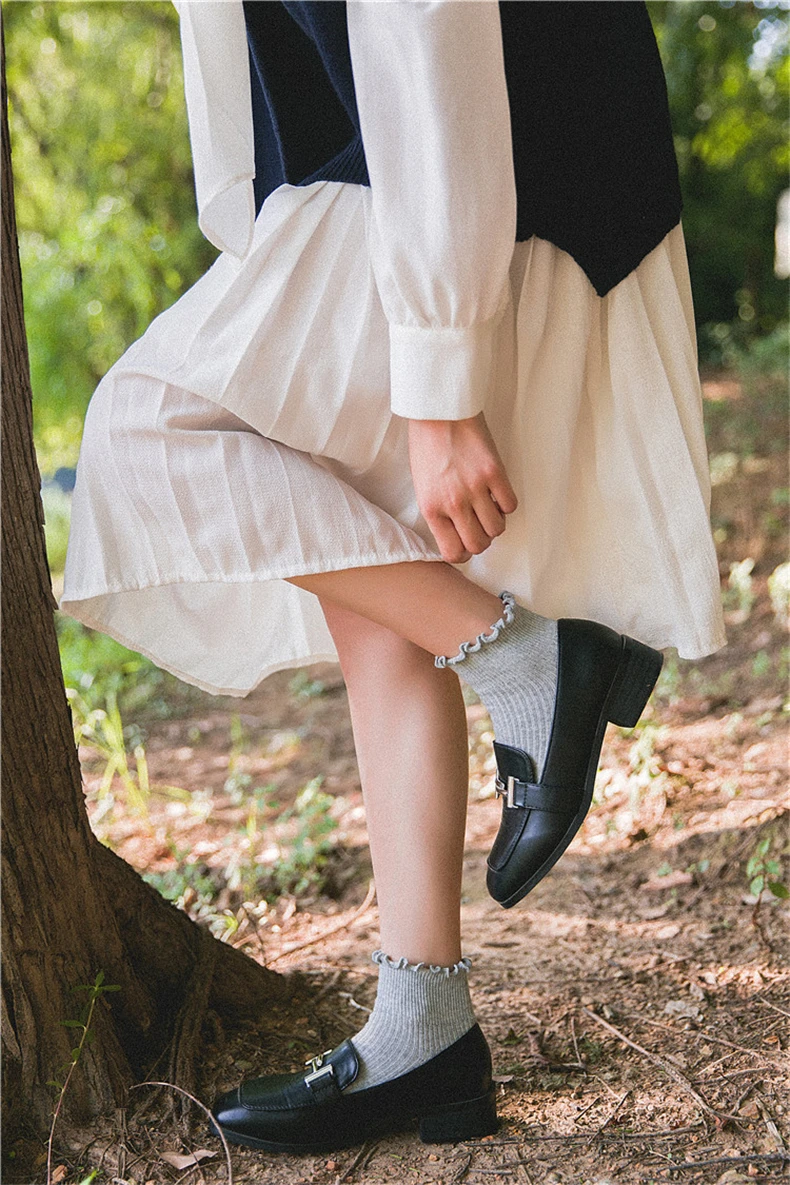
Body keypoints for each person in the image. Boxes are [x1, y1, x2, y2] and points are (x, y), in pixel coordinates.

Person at [60, 0, 726, 1154]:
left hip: (464, 149)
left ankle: (527, 660)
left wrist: (439, 377)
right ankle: (427, 1029)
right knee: (374, 583)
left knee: (141, 432)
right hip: (394, 163)